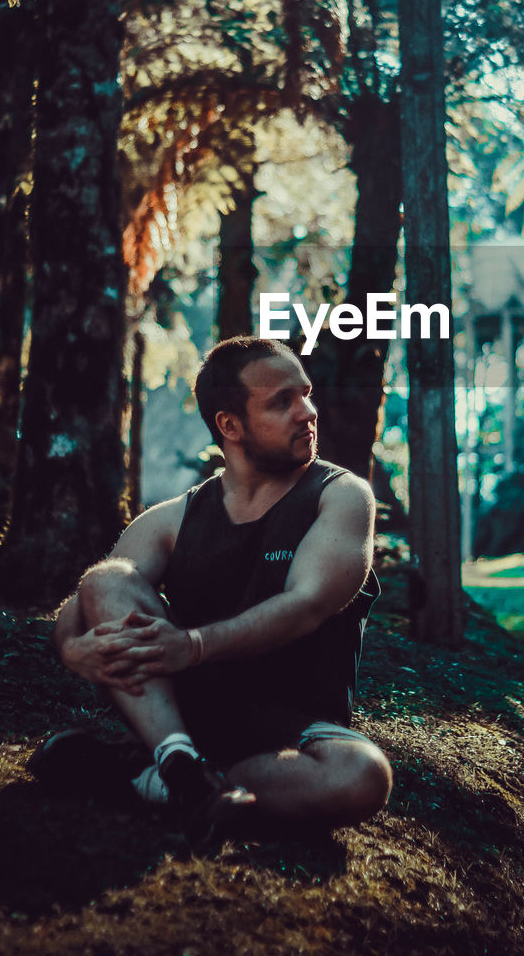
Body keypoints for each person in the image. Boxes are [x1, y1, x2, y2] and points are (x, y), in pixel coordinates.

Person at [33, 336, 392, 844]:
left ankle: (150, 777)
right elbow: (87, 601)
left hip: (292, 732)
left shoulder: (341, 496)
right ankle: (179, 761)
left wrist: (192, 646)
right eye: (282, 402)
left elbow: (305, 606)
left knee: (362, 777)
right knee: (108, 576)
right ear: (230, 425)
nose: (307, 412)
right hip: (182, 713)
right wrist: (72, 649)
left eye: (305, 394)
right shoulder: (172, 519)